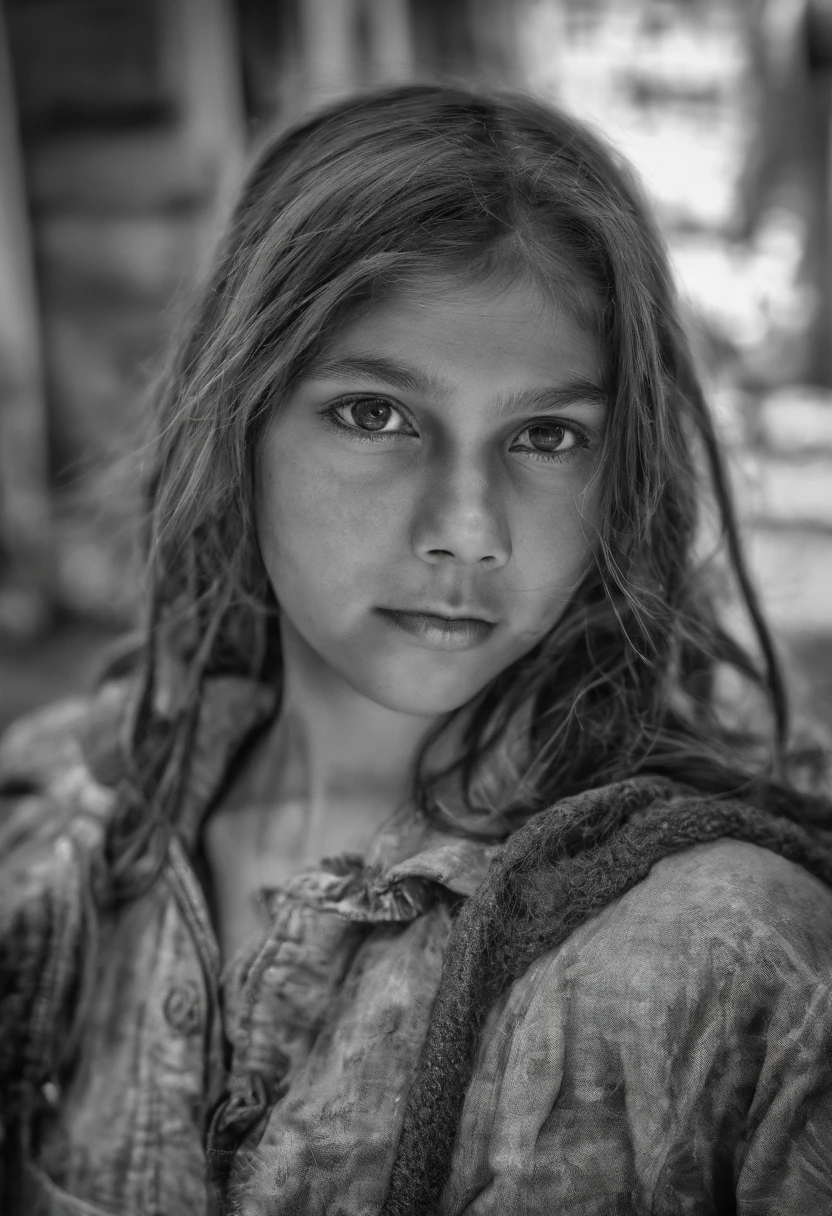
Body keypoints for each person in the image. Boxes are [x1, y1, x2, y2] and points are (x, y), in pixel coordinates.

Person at [1, 84, 832, 1216]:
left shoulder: (724, 961)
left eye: (546, 436)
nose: (467, 528)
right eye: (375, 415)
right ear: (237, 416)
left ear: (622, 472)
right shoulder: (62, 829)